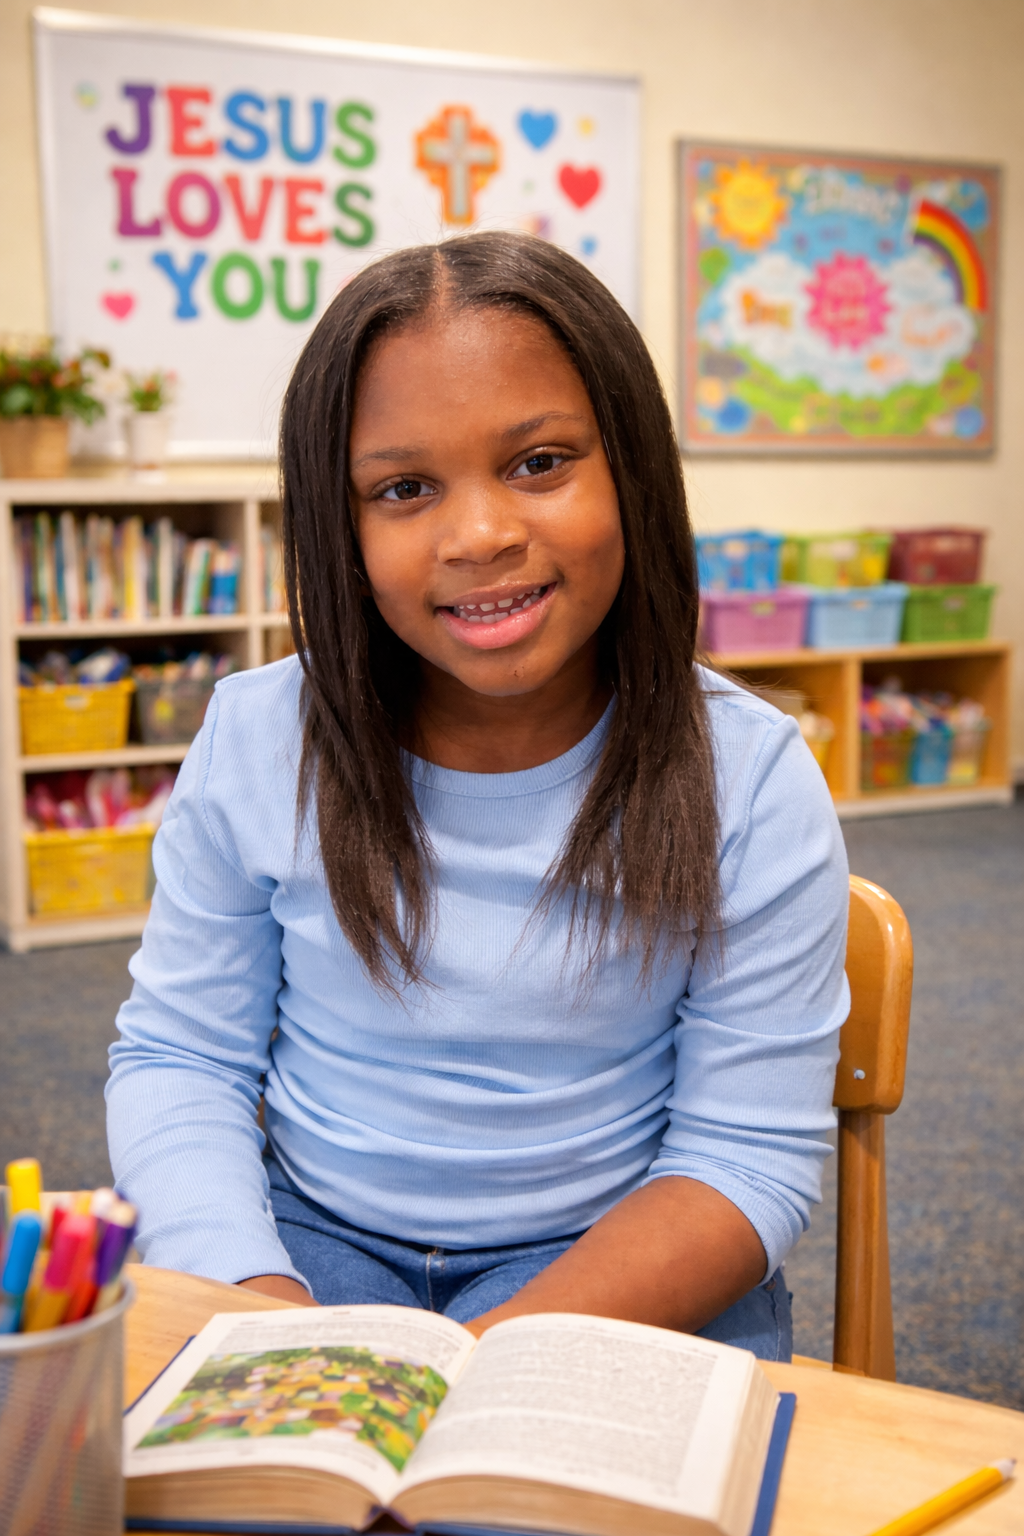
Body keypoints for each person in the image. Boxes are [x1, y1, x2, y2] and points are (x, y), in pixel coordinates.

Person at [107, 232, 849, 1360]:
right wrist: (250, 1299)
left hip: (621, 1252)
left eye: (539, 462)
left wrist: (483, 1358)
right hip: (305, 1241)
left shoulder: (745, 774)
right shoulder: (259, 737)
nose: (480, 536)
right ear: (338, 527)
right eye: (403, 488)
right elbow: (181, 1058)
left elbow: (740, 1157)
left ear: (631, 471)